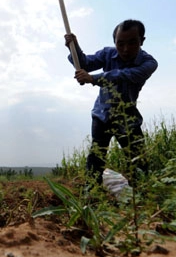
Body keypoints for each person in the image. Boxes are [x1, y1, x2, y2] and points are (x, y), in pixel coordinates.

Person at [64, 19, 158, 184]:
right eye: (120, 43)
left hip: (127, 117)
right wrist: (74, 47)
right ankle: (91, 193)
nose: (125, 49)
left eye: (132, 43)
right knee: (96, 157)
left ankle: (142, 194)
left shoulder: (149, 63)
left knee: (138, 161)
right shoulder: (108, 53)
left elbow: (124, 76)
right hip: (102, 114)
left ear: (142, 41)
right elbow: (85, 63)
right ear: (114, 42)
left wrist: (93, 78)